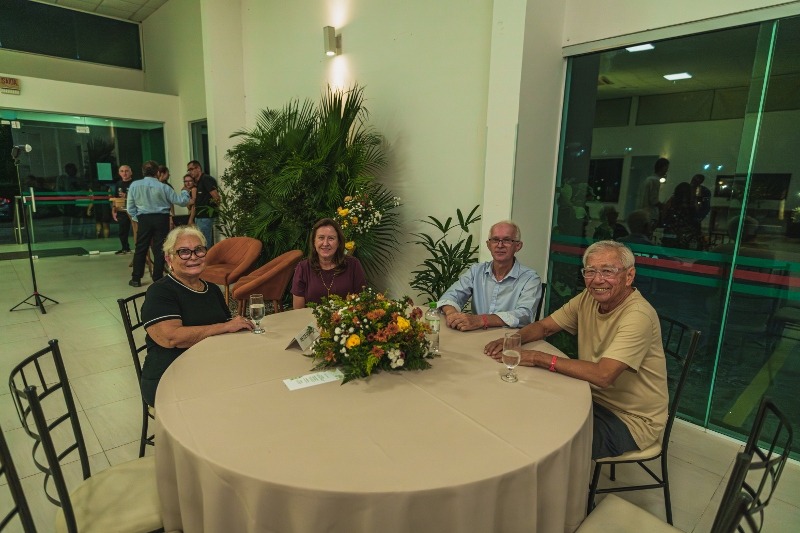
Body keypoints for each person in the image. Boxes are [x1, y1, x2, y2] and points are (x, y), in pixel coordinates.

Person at [484, 241, 667, 460]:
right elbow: (544, 327)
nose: (597, 280)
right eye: (590, 271)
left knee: (544, 442)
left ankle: (546, 480)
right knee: (523, 407)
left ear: (629, 276)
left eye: (607, 271)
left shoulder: (638, 316)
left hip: (629, 419)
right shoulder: (588, 298)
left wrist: (538, 358)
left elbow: (603, 375)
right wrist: (514, 339)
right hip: (588, 397)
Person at [140, 226, 254, 406]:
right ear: (169, 258)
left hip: (208, 365)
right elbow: (171, 338)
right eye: (184, 252)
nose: (193, 257)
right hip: (169, 375)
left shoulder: (212, 289)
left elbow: (227, 330)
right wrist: (224, 327)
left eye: (199, 250)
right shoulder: (160, 291)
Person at [437, 221, 542, 331]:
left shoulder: (530, 279)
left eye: (506, 240)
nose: (500, 245)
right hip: (476, 334)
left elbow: (524, 315)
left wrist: (482, 320)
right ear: (488, 245)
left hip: (509, 337)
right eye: (495, 240)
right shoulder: (476, 271)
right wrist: (452, 314)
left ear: (518, 246)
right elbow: (450, 296)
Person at [127, 160, 191, 287]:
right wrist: (185, 192)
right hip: (161, 219)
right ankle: (157, 278)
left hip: (144, 219)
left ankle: (136, 279)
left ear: (143, 172)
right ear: (157, 172)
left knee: (141, 248)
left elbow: (130, 208)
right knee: (160, 248)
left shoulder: (134, 185)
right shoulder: (164, 187)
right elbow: (181, 202)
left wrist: (138, 218)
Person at [292, 218, 367, 308]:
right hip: (310, 317)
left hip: (347, 316)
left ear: (339, 242)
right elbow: (298, 310)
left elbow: (362, 303)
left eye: (331, 238)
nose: (325, 243)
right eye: (321, 238)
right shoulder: (303, 268)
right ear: (314, 241)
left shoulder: (353, 264)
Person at [187, 160, 220, 248]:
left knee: (205, 242)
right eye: (189, 170)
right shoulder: (197, 182)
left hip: (206, 216)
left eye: (191, 169)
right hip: (199, 217)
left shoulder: (206, 179)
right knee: (201, 241)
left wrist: (214, 210)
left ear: (198, 168)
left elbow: (216, 197)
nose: (190, 172)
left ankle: (207, 256)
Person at [662, 182, 702, 250]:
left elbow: (664, 216)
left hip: (671, 235)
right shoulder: (691, 204)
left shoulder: (671, 202)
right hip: (687, 236)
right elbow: (696, 219)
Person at [638, 157, 669, 226]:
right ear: (663, 167)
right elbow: (653, 200)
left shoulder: (648, 179)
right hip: (651, 214)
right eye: (666, 167)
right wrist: (664, 206)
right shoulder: (655, 181)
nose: (667, 170)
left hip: (643, 212)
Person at [112, 165, 134, 254]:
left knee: (137, 231)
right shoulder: (118, 184)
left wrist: (127, 196)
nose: (124, 173)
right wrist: (114, 209)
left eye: (126, 171)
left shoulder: (135, 183)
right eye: (122, 171)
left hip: (134, 210)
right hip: (122, 210)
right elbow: (115, 197)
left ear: (131, 172)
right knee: (122, 231)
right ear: (119, 173)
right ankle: (125, 248)